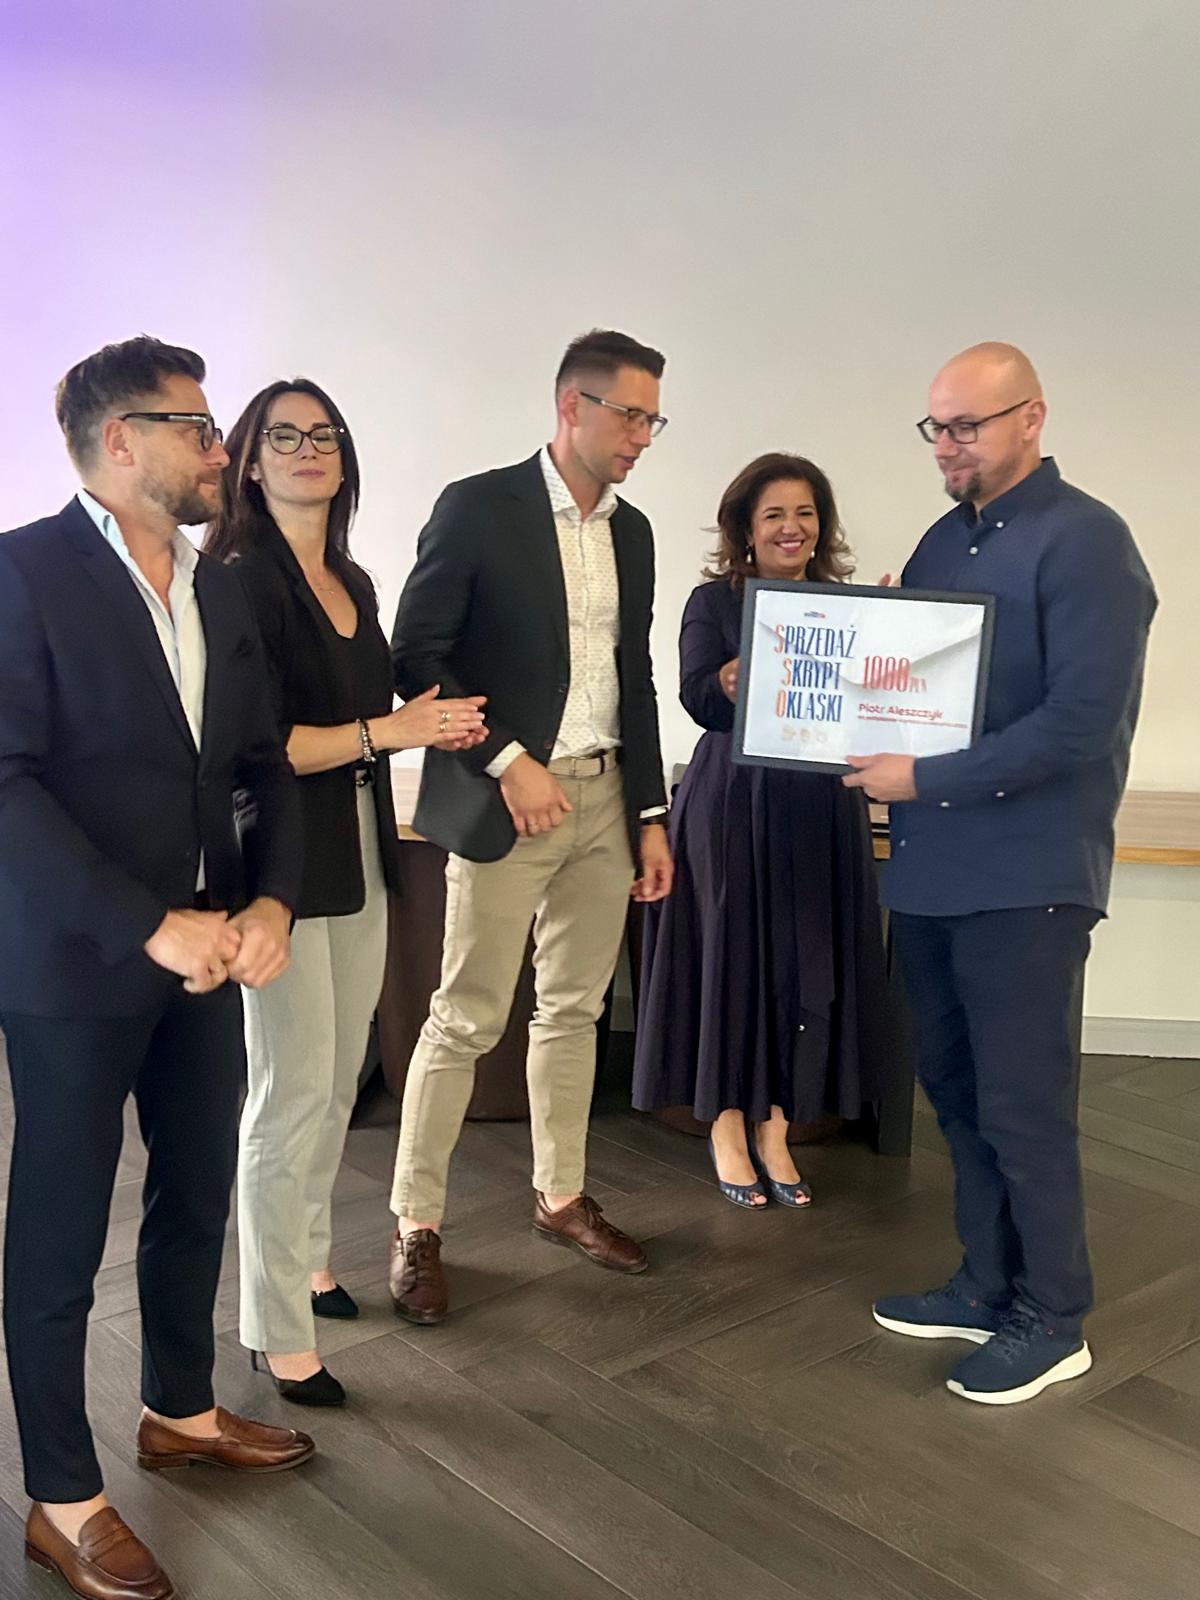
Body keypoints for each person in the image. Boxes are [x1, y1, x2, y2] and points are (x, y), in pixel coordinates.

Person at [0, 337, 314, 1600]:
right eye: (197, 426)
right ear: (118, 438)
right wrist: (147, 922)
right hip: (78, 963)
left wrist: (273, 897)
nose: (220, 448)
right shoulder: (21, 573)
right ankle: (60, 1497)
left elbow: (261, 764)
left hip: (212, 953)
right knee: (62, 1226)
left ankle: (178, 1409)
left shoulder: (220, 587)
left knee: (196, 1187)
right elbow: (6, 787)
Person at [846, 342, 1157, 1405]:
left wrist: (922, 775)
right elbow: (925, 696)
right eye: (935, 427)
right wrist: (874, 649)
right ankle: (986, 1283)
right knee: (957, 1093)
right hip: (932, 871)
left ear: (1032, 417)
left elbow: (1079, 725)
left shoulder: (1089, 542)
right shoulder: (944, 539)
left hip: (1028, 877)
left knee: (1025, 1106)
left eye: (967, 426)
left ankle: (1053, 1316)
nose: (947, 446)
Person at [205, 380, 486, 1406]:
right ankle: (274, 1327)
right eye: (283, 435)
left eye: (324, 434)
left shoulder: (350, 576)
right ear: (249, 460)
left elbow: (370, 721)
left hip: (358, 849)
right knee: (287, 1092)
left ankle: (310, 1261)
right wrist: (392, 732)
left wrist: (433, 721)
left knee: (333, 1082)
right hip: (278, 864)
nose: (307, 449)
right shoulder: (239, 578)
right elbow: (261, 746)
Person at [386, 328, 674, 1324]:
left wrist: (649, 813)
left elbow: (634, 677)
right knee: (466, 1016)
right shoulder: (479, 507)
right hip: (506, 798)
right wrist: (509, 761)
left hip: (607, 797)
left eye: (654, 419)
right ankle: (416, 1223)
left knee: (575, 1011)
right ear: (571, 406)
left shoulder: (633, 533)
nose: (642, 436)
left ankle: (560, 1197)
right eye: (629, 414)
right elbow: (416, 657)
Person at [633, 454, 890, 1206]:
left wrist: (892, 645)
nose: (791, 527)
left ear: (822, 525)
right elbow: (694, 696)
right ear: (746, 527)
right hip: (732, 806)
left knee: (804, 968)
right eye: (774, 514)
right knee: (732, 963)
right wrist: (726, 679)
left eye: (805, 513)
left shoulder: (844, 605)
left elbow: (871, 709)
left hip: (821, 804)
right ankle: (725, 1124)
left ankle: (778, 1126)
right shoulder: (712, 602)